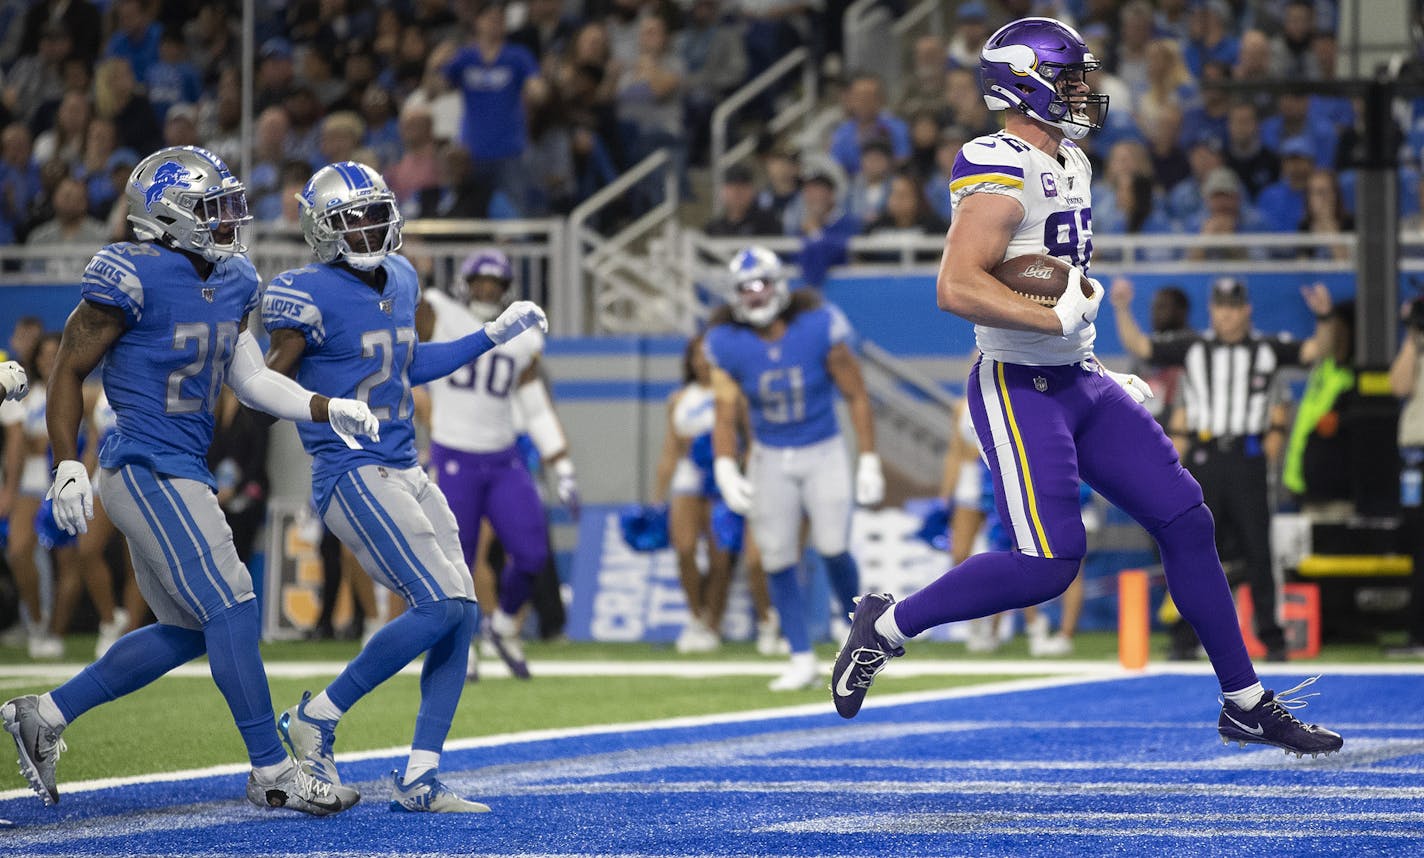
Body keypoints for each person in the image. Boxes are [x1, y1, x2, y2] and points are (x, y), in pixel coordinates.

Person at [829, 18, 1342, 759]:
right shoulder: (996, 163)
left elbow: (1057, 280)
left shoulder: (1072, 160)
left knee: (1186, 520)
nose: (1082, 91)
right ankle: (884, 624)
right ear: (1024, 84)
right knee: (1048, 563)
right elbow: (956, 284)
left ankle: (1244, 702)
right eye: (1068, 78)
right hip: (1016, 384)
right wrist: (1048, 316)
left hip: (1077, 377)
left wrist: (1085, 348)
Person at [2, 145, 380, 814]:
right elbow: (67, 369)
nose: (232, 219)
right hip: (146, 465)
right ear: (169, 216)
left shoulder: (234, 279)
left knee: (190, 626)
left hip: (180, 469)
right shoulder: (131, 275)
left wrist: (327, 407)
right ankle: (272, 769)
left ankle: (45, 716)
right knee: (233, 603)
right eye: (215, 208)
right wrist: (66, 462)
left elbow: (254, 379)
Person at [262, 161, 546, 812]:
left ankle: (419, 776)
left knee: (463, 611)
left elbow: (411, 363)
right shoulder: (301, 292)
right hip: (349, 467)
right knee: (441, 600)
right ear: (322, 228)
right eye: (353, 217)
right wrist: (325, 406)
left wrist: (490, 336)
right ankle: (320, 715)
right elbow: (267, 388)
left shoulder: (402, 275)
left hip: (406, 463)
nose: (370, 226)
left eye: (375, 212)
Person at [1113, 275, 1334, 662]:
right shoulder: (1194, 347)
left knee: (1257, 550)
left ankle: (1272, 636)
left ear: (1245, 310)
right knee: (1194, 546)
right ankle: (1185, 636)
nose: (1227, 315)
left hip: (1247, 459)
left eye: (1233, 307)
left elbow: (1316, 350)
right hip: (1204, 456)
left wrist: (1326, 316)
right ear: (1212, 310)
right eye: (1220, 307)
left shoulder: (1266, 348)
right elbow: (1142, 346)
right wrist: (1121, 308)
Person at [707, 246, 884, 691]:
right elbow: (724, 413)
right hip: (769, 456)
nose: (753, 294)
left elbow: (857, 394)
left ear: (778, 284)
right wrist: (726, 465)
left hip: (822, 449)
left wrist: (868, 456)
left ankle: (864, 642)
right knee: (777, 556)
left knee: (831, 546)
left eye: (760, 284)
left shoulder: (818, 325)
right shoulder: (726, 342)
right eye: (744, 288)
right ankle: (800, 655)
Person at [415, 247, 578, 680]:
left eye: (496, 283)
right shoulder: (440, 310)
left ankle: (504, 626)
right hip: (454, 456)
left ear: (507, 289)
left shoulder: (523, 334)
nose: (487, 289)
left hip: (504, 457)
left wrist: (561, 465)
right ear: (465, 284)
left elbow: (535, 406)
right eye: (480, 281)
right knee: (457, 560)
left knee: (531, 553)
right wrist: (409, 263)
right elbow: (409, 311)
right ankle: (460, 644)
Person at [651, 333, 779, 655]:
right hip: (689, 479)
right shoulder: (679, 399)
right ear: (689, 361)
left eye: (707, 355)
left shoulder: (735, 394)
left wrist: (745, 474)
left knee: (721, 558)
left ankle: (712, 623)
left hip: (724, 479)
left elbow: (750, 439)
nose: (702, 362)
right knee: (685, 548)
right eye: (696, 355)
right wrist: (657, 493)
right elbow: (670, 450)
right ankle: (695, 617)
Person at [1389, 297, 1424, 657]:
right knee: (1419, 547)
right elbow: (1398, 386)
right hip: (1417, 457)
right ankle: (1417, 633)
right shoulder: (1417, 343)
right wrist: (1412, 333)